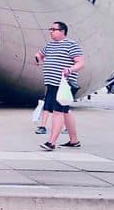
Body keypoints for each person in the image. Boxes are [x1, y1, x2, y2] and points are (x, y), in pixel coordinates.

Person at [35, 21, 85, 150]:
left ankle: (51, 142)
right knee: (65, 111)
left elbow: (80, 63)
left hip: (64, 85)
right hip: (52, 84)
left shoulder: (72, 45)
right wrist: (39, 59)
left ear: (62, 31)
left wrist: (70, 70)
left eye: (53, 29)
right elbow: (40, 54)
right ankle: (74, 140)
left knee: (58, 112)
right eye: (50, 29)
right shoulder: (50, 45)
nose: (51, 31)